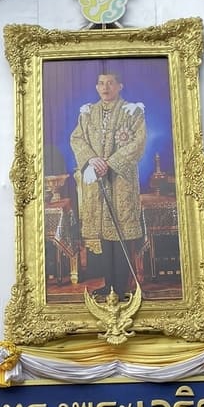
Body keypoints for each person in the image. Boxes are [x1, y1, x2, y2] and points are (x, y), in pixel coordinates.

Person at [70, 70, 146, 298]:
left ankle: (122, 286)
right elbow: (77, 138)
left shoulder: (132, 112)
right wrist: (91, 160)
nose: (105, 88)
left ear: (119, 86)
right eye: (101, 83)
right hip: (97, 181)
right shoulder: (87, 113)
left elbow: (138, 142)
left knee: (119, 231)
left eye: (110, 83)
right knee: (102, 236)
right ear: (96, 87)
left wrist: (110, 163)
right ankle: (109, 284)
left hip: (121, 181)